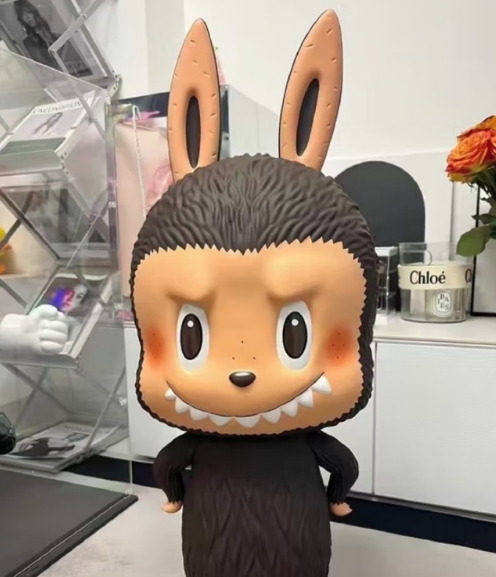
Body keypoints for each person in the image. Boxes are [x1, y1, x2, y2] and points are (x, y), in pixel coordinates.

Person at [131, 12, 377, 577]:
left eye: (295, 333)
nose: (242, 373)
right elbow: (342, 468)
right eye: (191, 336)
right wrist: (337, 497)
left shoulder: (268, 438)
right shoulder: (263, 441)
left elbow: (168, 469)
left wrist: (173, 493)